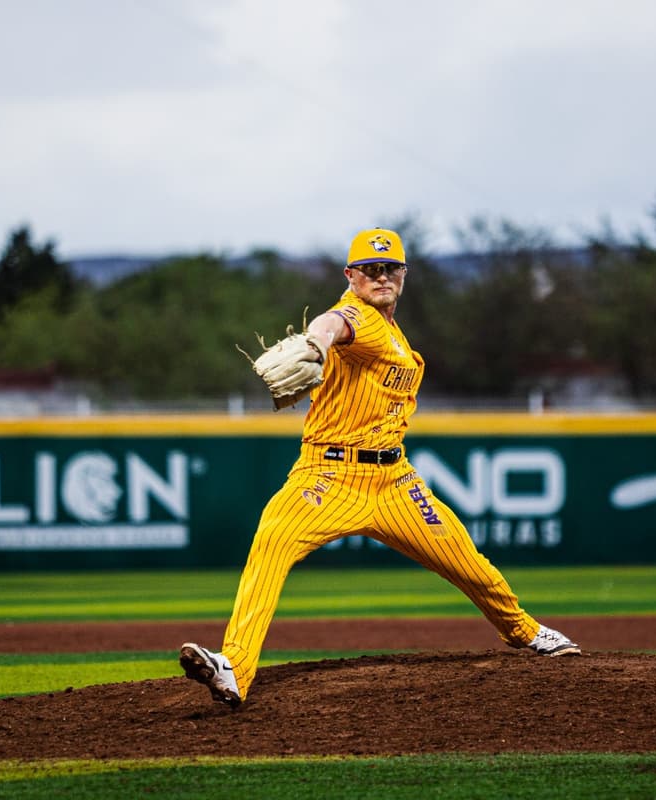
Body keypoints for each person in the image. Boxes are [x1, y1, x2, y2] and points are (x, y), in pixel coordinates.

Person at [180, 227, 580, 708]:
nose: (381, 276)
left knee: (469, 563)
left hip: (394, 482)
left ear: (404, 274)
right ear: (351, 276)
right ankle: (233, 667)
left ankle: (526, 631)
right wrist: (314, 344)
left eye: (390, 268)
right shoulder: (360, 318)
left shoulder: (394, 334)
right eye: (370, 269)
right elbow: (332, 324)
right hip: (328, 477)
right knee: (272, 545)